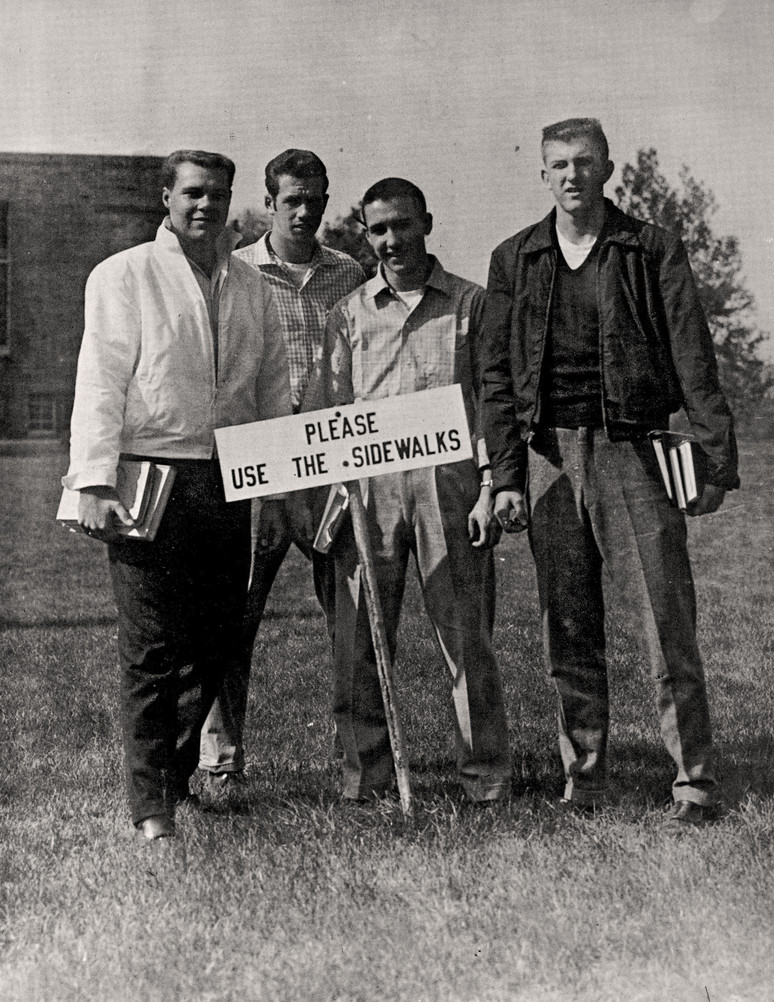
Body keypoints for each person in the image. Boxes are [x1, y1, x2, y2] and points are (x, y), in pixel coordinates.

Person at [481, 118, 739, 826]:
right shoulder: (515, 258)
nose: (573, 175)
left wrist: (715, 458)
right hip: (546, 459)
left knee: (665, 618)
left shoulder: (650, 248)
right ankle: (585, 777)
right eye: (559, 164)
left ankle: (692, 779)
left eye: (585, 161)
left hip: (633, 450)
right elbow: (495, 378)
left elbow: (692, 355)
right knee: (566, 623)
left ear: (607, 169)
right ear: (542, 174)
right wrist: (507, 475)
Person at [63, 150, 292, 841]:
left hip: (229, 477)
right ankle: (151, 807)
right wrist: (94, 479)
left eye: (218, 194)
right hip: (148, 475)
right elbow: (100, 380)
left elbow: (272, 388)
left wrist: (277, 486)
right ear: (166, 196)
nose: (206, 205)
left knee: (216, 643)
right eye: (192, 192)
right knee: (152, 646)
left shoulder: (251, 285)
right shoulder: (124, 274)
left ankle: (174, 774)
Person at [315, 177, 511, 803]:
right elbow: (331, 409)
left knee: (465, 638)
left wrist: (489, 486)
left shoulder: (471, 304)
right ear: (366, 235)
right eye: (378, 229)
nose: (392, 240)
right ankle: (366, 777)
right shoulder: (348, 313)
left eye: (403, 225)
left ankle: (484, 777)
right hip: (369, 492)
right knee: (360, 642)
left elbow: (492, 403)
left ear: (426, 222)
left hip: (447, 488)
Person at [199, 149, 365, 800]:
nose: (305, 211)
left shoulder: (348, 273)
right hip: (258, 458)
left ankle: (358, 758)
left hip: (330, 460)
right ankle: (221, 759)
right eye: (293, 199)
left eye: (315, 200)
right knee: (232, 615)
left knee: (349, 615)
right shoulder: (235, 273)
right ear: (269, 203)